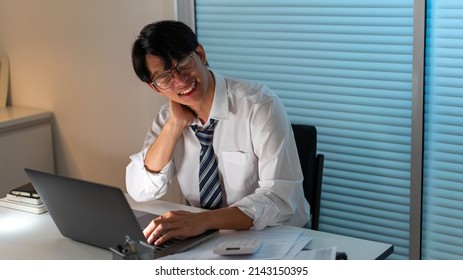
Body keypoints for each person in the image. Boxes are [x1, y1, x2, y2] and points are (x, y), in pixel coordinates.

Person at [126, 20, 311, 245]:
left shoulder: (260, 105)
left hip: (274, 237)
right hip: (207, 239)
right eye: (164, 77)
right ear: (155, 87)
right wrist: (174, 126)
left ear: (200, 54)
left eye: (183, 63)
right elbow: (140, 191)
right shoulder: (167, 118)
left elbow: (280, 199)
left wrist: (202, 221)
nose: (181, 80)